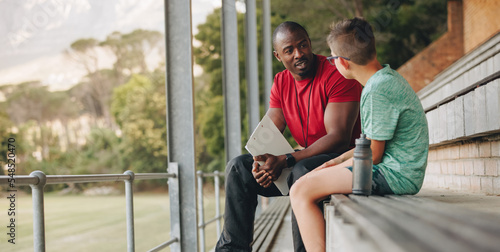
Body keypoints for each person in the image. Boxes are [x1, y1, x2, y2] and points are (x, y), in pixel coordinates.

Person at [215, 21, 363, 252]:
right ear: (278, 56)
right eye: (289, 50)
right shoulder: (281, 82)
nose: (299, 54)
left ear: (310, 43)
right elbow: (268, 134)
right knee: (237, 168)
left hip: (344, 162)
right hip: (304, 161)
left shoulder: (336, 72)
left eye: (303, 45)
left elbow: (339, 138)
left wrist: (287, 159)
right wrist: (260, 163)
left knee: (301, 172)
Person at [289, 17, 429, 252]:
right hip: (394, 170)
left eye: (332, 59)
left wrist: (329, 170)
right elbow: (369, 146)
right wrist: (333, 163)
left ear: (343, 62)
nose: (332, 64)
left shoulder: (378, 90)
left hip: (396, 175)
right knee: (307, 181)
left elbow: (373, 155)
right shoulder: (383, 79)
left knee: (300, 191)